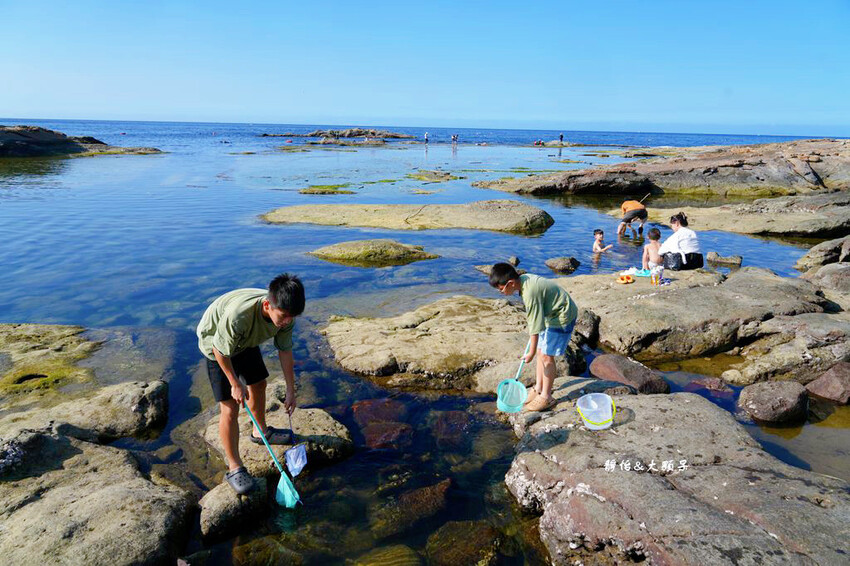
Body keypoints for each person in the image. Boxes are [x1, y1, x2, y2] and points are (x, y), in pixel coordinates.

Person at [196, 274, 305, 494]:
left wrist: (291, 391)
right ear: (267, 305)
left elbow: (284, 351)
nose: (287, 321)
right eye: (283, 316)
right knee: (229, 406)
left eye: (291, 317)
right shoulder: (240, 316)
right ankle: (235, 467)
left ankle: (260, 432)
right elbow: (220, 350)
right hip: (215, 345)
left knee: (259, 384)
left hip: (245, 341)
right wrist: (234, 382)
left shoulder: (286, 316)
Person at [490, 263, 578, 412]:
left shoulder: (530, 292)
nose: (502, 293)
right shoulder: (522, 282)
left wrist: (529, 352)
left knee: (546, 357)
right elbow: (535, 320)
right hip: (550, 315)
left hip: (562, 316)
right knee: (540, 352)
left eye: (501, 290)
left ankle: (546, 397)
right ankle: (538, 388)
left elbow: (535, 324)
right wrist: (533, 350)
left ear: (510, 283)